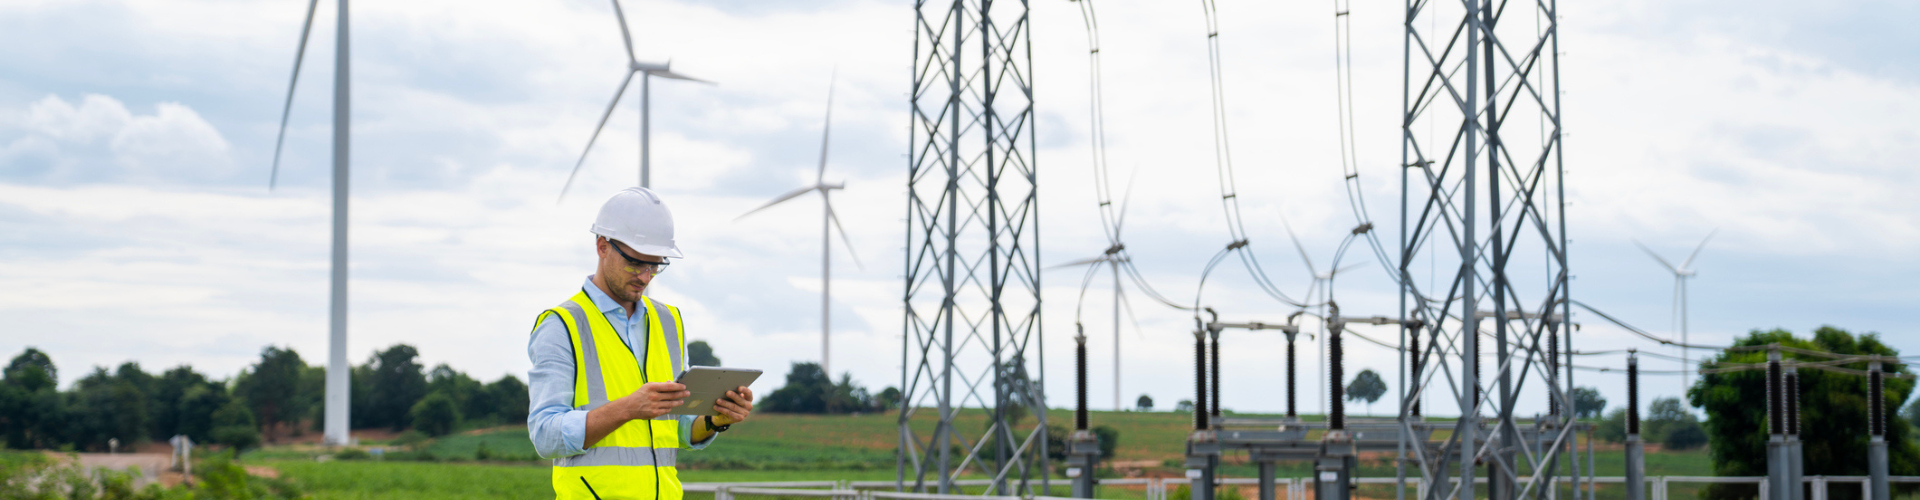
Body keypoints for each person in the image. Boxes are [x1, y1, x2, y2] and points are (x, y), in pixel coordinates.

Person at [528, 187, 754, 500]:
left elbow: (676, 429)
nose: (645, 277)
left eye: (655, 265)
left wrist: (715, 420)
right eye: (636, 263)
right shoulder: (562, 325)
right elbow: (545, 435)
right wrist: (627, 408)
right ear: (602, 246)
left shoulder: (669, 322)